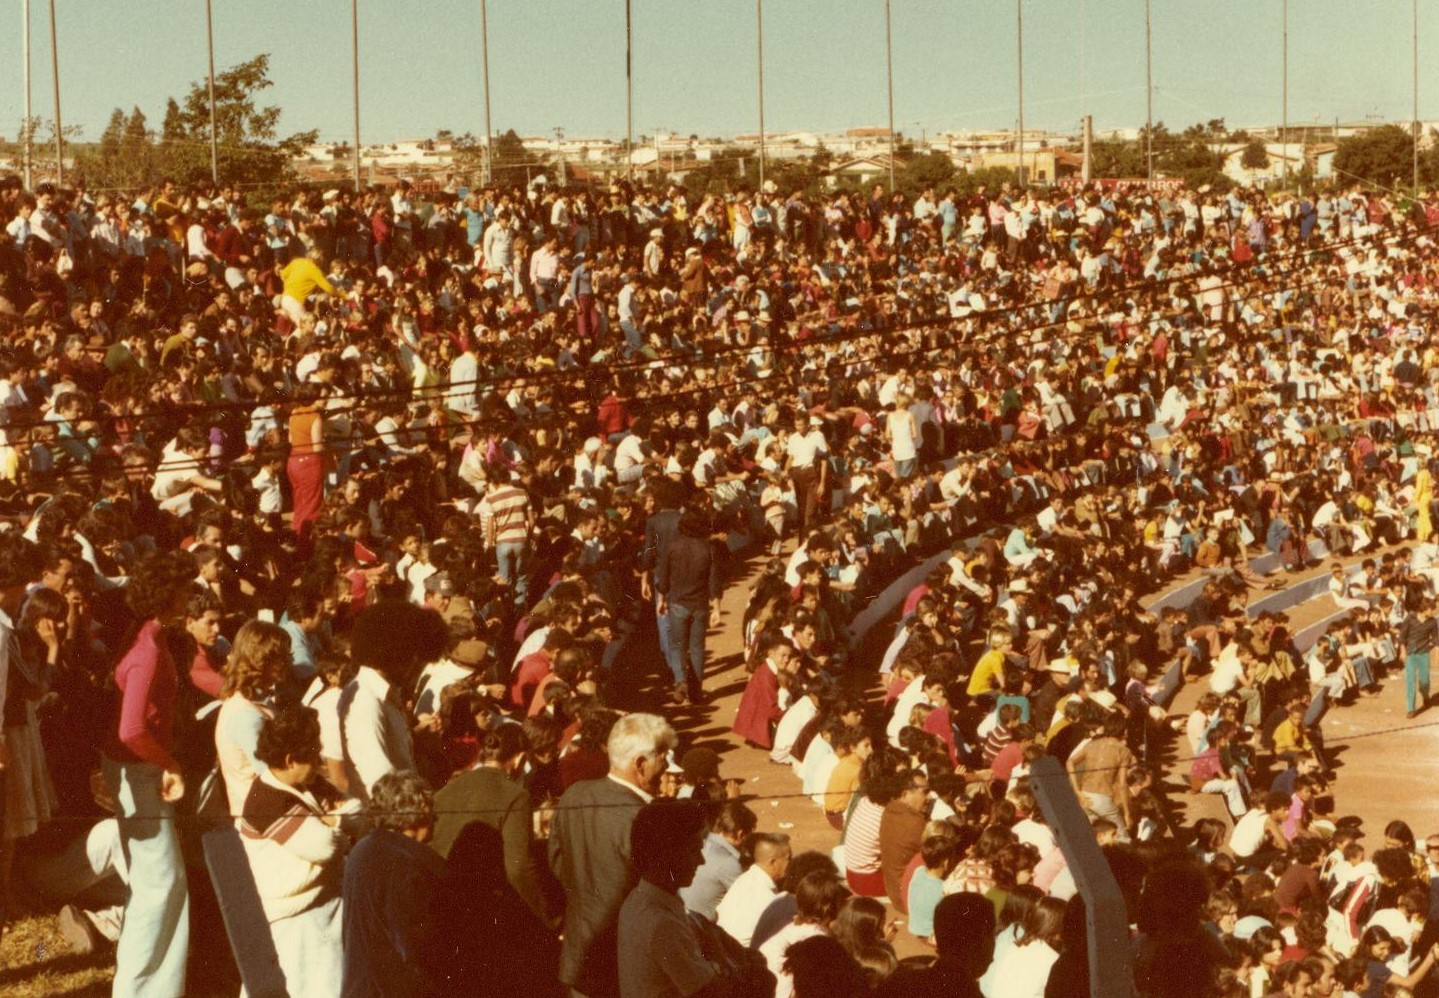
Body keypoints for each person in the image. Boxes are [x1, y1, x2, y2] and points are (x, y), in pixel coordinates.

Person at [549, 712, 676, 998]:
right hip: (627, 967)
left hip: (578, 957)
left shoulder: (575, 796)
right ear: (640, 764)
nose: (666, 767)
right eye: (662, 758)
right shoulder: (647, 819)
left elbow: (557, 861)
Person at [239, 705, 348, 998]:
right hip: (293, 916)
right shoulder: (268, 800)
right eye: (314, 756)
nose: (320, 762)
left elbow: (356, 809)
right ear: (290, 760)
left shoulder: (306, 785)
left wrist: (334, 823)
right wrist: (339, 825)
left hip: (319, 904)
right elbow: (327, 847)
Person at [618, 798, 774, 998]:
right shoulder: (662, 924)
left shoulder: (638, 900)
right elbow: (710, 991)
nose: (700, 861)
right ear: (668, 854)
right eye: (693, 851)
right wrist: (722, 958)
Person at [341, 770, 446, 998]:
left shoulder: (362, 849)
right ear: (422, 811)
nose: (436, 819)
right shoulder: (405, 865)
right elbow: (415, 949)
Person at [429, 724, 547, 923]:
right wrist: (547, 915)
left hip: (438, 897)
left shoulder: (447, 789)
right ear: (519, 759)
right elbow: (518, 870)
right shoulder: (516, 796)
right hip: (482, 908)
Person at [655, 509, 720, 705]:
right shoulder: (709, 548)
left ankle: (680, 681)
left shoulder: (673, 547)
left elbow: (664, 580)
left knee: (677, 646)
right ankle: (696, 691)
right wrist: (716, 608)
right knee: (697, 648)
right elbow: (714, 581)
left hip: (677, 604)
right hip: (699, 605)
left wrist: (661, 599)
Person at [715, 831, 791, 947]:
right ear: (773, 862)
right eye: (788, 858)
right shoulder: (768, 898)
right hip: (740, 956)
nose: (791, 863)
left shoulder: (745, 879)